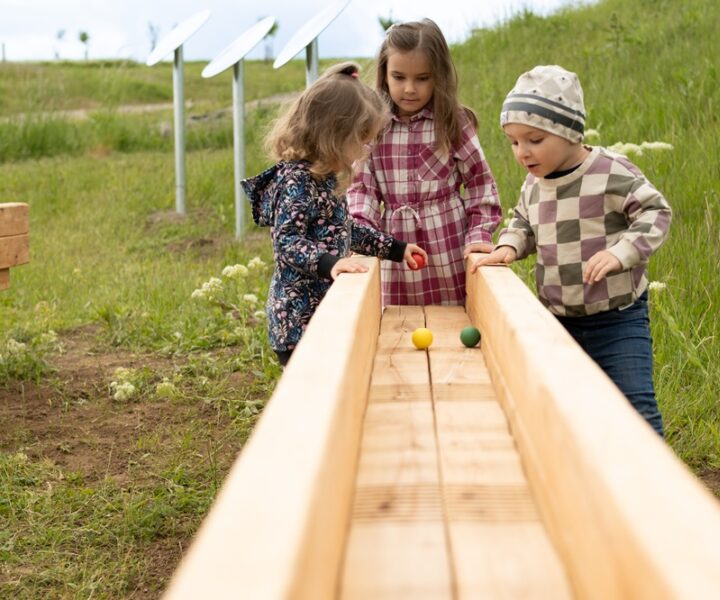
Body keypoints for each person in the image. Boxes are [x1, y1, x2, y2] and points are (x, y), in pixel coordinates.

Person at [472, 65, 672, 437]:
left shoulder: (610, 171)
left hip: (617, 319)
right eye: (514, 142)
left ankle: (650, 470)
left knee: (635, 407)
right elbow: (524, 222)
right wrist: (509, 245)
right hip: (557, 318)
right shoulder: (534, 183)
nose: (522, 152)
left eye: (534, 139)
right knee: (568, 407)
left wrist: (621, 252)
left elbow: (656, 212)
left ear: (569, 131)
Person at [241, 62, 427, 368]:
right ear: (335, 135)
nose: (366, 149)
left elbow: (344, 230)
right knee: (312, 387)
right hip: (298, 321)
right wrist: (331, 263)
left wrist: (397, 249)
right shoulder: (297, 182)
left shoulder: (324, 178)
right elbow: (287, 243)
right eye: (361, 139)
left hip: (324, 311)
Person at [347, 19, 501, 306]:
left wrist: (479, 233)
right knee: (398, 321)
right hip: (396, 249)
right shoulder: (373, 126)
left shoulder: (452, 121)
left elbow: (480, 183)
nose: (409, 89)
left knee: (454, 317)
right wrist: (362, 238)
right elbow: (362, 190)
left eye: (422, 78)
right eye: (399, 77)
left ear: (438, 76)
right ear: (384, 74)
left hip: (448, 245)